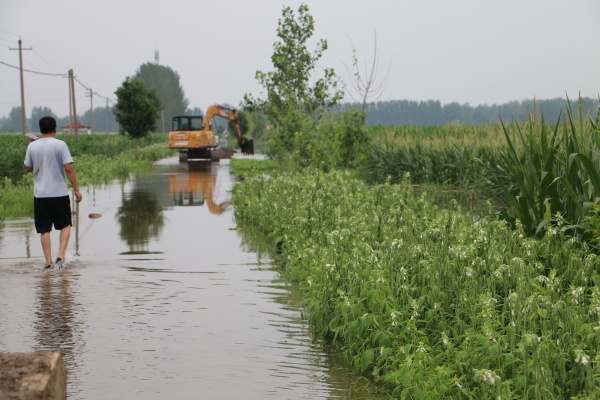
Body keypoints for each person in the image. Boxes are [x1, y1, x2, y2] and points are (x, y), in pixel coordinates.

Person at [24, 116, 83, 269]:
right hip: (58, 193)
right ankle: (60, 256)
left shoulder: (32, 146)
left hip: (40, 195)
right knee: (65, 225)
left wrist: (30, 146)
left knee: (44, 229)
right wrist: (76, 189)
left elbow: (28, 168)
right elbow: (68, 168)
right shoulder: (60, 144)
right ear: (55, 129)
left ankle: (48, 263)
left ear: (40, 130)